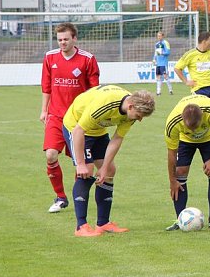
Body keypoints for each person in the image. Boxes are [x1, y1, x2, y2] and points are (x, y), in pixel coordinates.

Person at [62, 85, 155, 236]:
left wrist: (104, 168)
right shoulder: (105, 103)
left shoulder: (130, 112)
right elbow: (79, 130)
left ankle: (103, 223)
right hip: (76, 126)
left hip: (98, 130)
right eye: (139, 115)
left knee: (110, 170)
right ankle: (81, 226)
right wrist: (80, 164)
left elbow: (117, 138)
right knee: (87, 169)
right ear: (131, 106)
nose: (140, 119)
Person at [39, 23, 100, 213]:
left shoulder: (88, 60)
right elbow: (46, 86)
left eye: (66, 39)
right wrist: (44, 111)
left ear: (74, 38)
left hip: (78, 120)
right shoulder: (50, 57)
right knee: (50, 155)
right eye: (59, 40)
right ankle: (60, 197)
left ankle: (77, 196)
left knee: (79, 162)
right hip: (56, 116)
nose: (62, 43)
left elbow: (94, 91)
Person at [163, 93, 210, 232]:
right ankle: (180, 219)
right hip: (185, 141)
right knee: (180, 173)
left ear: (202, 117)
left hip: (209, 139)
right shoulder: (173, 122)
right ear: (182, 119)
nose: (193, 130)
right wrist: (172, 180)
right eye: (189, 127)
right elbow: (171, 153)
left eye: (196, 127)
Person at [175, 31, 210, 106]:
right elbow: (177, 68)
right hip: (198, 90)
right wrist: (186, 81)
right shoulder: (190, 54)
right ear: (204, 41)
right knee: (199, 115)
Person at [154, 31, 173, 96]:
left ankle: (170, 90)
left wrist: (162, 53)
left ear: (162, 36)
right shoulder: (156, 44)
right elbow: (156, 53)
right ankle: (158, 92)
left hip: (163, 63)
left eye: (159, 36)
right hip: (158, 63)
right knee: (158, 77)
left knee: (165, 76)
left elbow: (168, 52)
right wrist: (154, 59)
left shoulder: (165, 43)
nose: (158, 37)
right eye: (157, 36)